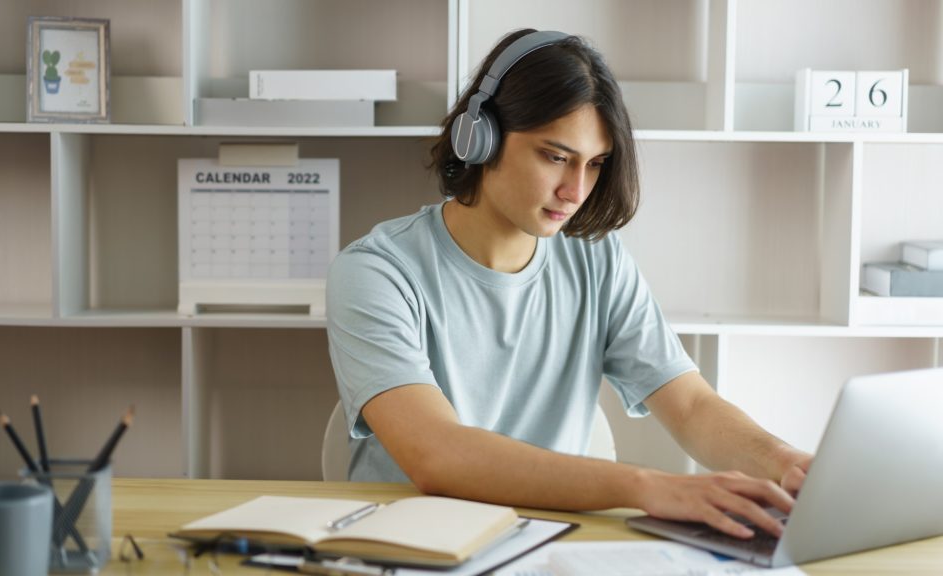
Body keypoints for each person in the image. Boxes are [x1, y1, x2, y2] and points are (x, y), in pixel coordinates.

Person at [326, 29, 812, 540]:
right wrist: (648, 487)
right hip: (419, 547)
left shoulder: (596, 259)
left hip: (555, 543)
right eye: (556, 157)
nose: (575, 190)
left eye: (595, 164)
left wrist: (785, 462)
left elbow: (690, 406)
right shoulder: (375, 272)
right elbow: (437, 454)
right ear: (480, 137)